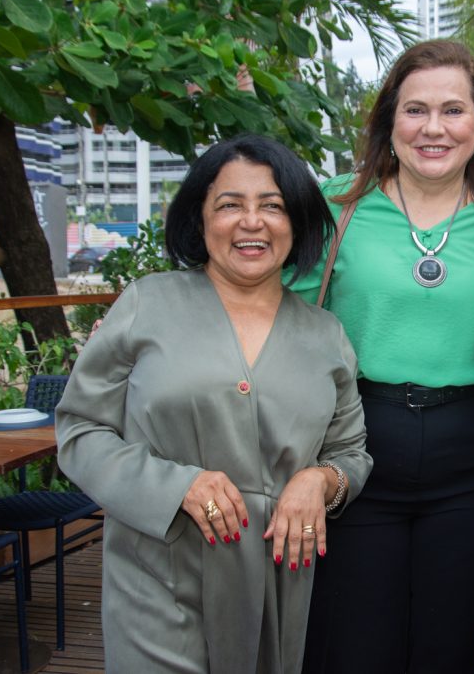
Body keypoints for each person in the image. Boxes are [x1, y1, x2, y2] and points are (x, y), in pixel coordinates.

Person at [56, 134, 372, 673]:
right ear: (200, 220)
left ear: (295, 222)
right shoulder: (146, 305)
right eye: (230, 205)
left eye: (272, 205)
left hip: (278, 583)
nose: (252, 222)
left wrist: (320, 482)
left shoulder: (326, 336)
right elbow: (81, 431)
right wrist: (177, 486)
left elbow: (351, 453)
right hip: (159, 574)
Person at [294, 41, 474, 673]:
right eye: (415, 109)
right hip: (358, 450)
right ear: (388, 123)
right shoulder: (335, 205)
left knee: (452, 645)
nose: (434, 127)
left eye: (453, 110)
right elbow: (275, 315)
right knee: (355, 644)